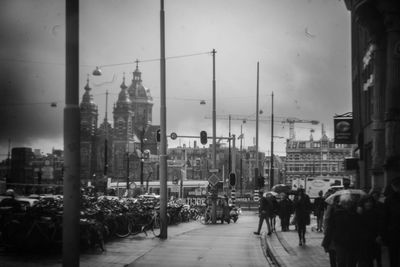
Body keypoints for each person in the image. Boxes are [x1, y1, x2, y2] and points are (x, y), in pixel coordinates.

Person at [329, 193, 361, 267]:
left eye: (348, 203)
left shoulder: (355, 213)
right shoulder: (337, 213)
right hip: (340, 241)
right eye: (345, 203)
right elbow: (331, 226)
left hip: (352, 241)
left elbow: (358, 227)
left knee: (351, 261)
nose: (347, 205)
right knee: (341, 261)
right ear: (342, 203)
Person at [381, 176, 400, 267]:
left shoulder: (389, 200)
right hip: (393, 233)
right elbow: (385, 219)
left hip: (393, 232)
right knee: (394, 257)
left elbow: (385, 219)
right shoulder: (389, 200)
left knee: (394, 258)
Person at [358, 195, 380, 267]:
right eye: (366, 202)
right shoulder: (359, 213)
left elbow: (379, 226)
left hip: (373, 241)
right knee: (363, 261)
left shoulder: (375, 213)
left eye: (370, 202)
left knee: (370, 261)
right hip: (362, 242)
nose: (368, 204)